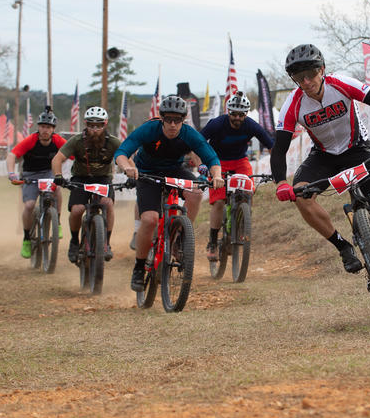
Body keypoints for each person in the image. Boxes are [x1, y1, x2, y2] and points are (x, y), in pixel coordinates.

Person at [270, 43, 370, 304]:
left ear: (322, 70)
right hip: (323, 156)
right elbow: (279, 149)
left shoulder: (341, 84)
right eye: (299, 78)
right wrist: (280, 183)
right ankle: (343, 245)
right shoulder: (293, 104)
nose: (307, 81)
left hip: (357, 149)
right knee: (301, 194)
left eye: (311, 74)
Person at [114, 94, 223, 293]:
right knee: (149, 219)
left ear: (184, 120)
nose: (173, 124)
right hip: (147, 173)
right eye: (168, 119)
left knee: (196, 192)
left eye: (178, 120)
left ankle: (181, 236)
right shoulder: (149, 129)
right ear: (161, 118)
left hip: (174, 170)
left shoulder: (189, 134)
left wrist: (217, 175)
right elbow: (122, 152)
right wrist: (126, 167)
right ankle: (139, 267)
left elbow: (212, 158)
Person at [200, 91, 274, 261]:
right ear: (228, 112)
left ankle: (242, 223)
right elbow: (199, 142)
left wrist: (278, 169)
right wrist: (203, 163)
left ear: (246, 114)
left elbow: (271, 145)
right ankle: (212, 241)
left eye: (241, 115)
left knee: (248, 191)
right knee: (218, 202)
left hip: (240, 161)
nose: (237, 118)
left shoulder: (251, 125)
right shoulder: (217, 124)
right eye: (234, 114)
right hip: (217, 162)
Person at [51, 106, 121, 263]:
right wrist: (58, 175)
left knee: (107, 204)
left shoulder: (113, 142)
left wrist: (130, 171)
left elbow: (126, 158)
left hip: (103, 179)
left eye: (99, 125)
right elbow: (57, 159)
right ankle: (74, 241)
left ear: (105, 124)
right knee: (77, 210)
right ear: (85, 124)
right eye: (91, 125)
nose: (95, 129)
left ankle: (106, 243)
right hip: (81, 179)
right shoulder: (77, 141)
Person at [7, 107, 66, 258]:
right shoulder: (31, 140)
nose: (45, 130)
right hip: (30, 175)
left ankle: (57, 222)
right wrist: (12, 173)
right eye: (43, 126)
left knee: (57, 190)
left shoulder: (58, 140)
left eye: (49, 127)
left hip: (48, 173)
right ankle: (27, 238)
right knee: (29, 205)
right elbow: (12, 155)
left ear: (53, 129)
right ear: (38, 127)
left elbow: (73, 153)